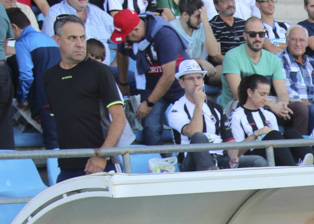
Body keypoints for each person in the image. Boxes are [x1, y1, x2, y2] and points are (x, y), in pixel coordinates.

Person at [45, 16, 127, 182]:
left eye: (82, 37)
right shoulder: (49, 77)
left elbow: (119, 119)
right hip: (67, 167)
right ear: (57, 40)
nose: (79, 43)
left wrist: (102, 156)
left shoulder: (100, 71)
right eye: (72, 38)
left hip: (101, 165)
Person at [168, 58, 261, 169]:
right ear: (181, 83)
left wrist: (233, 157)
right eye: (190, 79)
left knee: (257, 161)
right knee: (199, 137)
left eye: (199, 78)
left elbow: (228, 139)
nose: (196, 82)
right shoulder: (176, 109)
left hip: (219, 157)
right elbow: (194, 132)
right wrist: (199, 104)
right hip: (192, 161)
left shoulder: (216, 108)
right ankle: (211, 174)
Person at [112, 9, 186, 146]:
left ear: (136, 29)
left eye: (126, 36)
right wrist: (123, 83)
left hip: (181, 85)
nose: (125, 39)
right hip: (151, 85)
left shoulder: (164, 35)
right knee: (150, 127)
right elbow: (121, 54)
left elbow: (169, 76)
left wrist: (149, 103)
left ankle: (188, 161)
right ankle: (157, 162)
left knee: (187, 124)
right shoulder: (127, 34)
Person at [221, 18, 308, 134]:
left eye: (261, 34)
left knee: (300, 108)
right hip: (241, 107)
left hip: (266, 106)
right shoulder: (232, 56)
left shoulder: (273, 59)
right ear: (244, 36)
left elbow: (282, 92)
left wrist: (282, 104)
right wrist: (271, 105)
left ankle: (298, 147)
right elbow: (239, 95)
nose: (257, 38)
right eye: (253, 34)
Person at [230, 74, 314, 165]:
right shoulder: (237, 116)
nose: (265, 99)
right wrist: (257, 134)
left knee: (291, 132)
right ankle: (293, 166)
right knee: (273, 135)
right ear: (250, 92)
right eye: (262, 94)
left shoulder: (269, 115)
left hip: (273, 152)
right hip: (252, 155)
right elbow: (237, 152)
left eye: (267, 94)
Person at [281, 25, 314, 133]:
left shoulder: (313, 63)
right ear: (287, 41)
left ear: (306, 43)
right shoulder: (279, 61)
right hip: (296, 107)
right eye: (293, 40)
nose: (298, 44)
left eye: (301, 40)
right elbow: (289, 93)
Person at [44, 0, 115, 45]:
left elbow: (122, 37)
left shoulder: (100, 14)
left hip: (105, 67)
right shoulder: (54, 13)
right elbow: (52, 47)